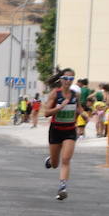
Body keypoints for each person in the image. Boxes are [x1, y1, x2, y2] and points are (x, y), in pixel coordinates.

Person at [42, 69, 90, 201]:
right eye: (66, 78)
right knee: (55, 164)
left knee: (66, 159)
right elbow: (46, 113)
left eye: (71, 79)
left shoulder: (75, 94)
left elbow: (78, 107)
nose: (68, 81)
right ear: (61, 79)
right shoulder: (55, 94)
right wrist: (59, 107)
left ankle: (62, 187)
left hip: (69, 130)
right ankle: (50, 160)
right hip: (56, 130)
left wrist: (83, 114)